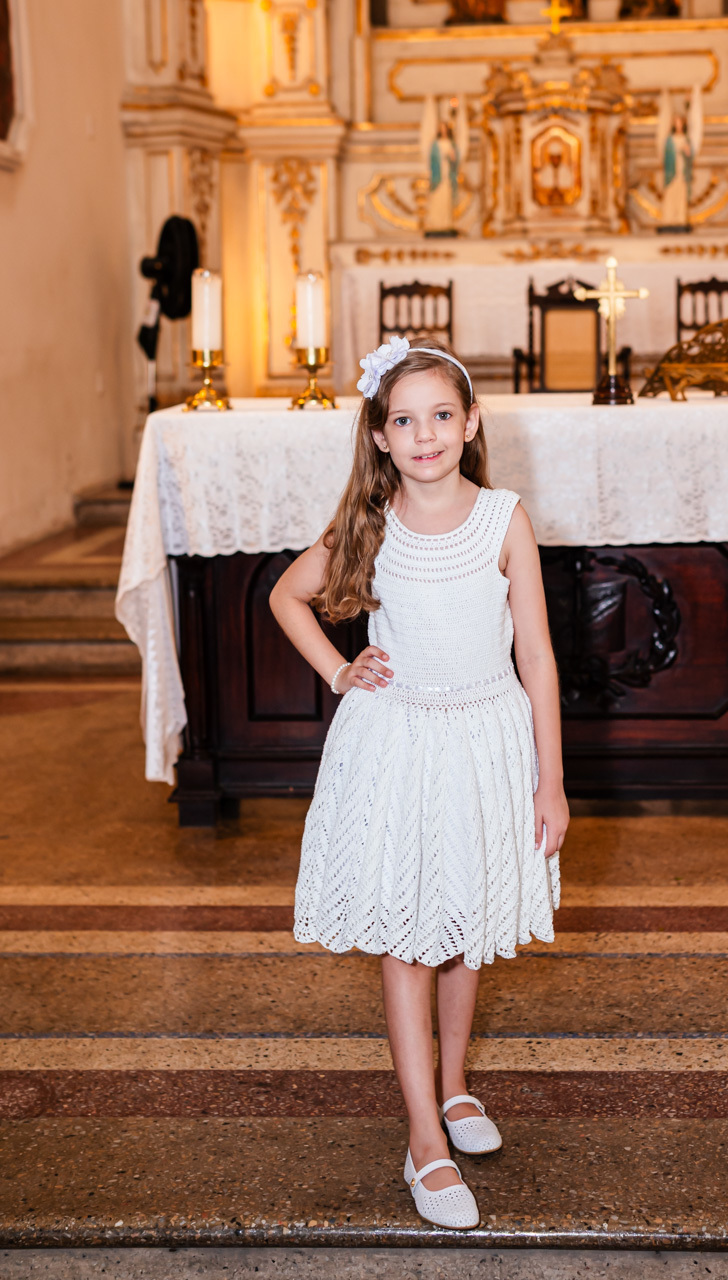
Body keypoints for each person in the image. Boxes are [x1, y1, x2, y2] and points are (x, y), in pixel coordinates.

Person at [269, 335, 569, 1230]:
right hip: (399, 744)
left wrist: (551, 781)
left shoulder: (504, 517)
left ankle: (454, 1088)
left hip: (485, 741)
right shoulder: (370, 521)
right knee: (408, 933)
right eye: (404, 420)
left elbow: (540, 657)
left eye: (442, 415)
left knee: (465, 927)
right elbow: (289, 596)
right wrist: (338, 669)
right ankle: (421, 1141)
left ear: (470, 423)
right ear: (381, 436)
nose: (425, 434)